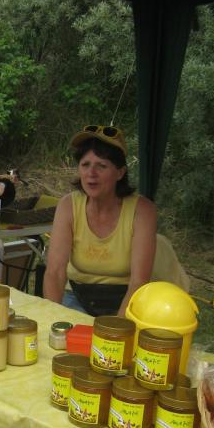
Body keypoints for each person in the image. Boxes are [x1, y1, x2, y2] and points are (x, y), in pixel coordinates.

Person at [43, 125, 157, 317]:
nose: (91, 173)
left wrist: (116, 328)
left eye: (101, 166)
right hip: (78, 298)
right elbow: (55, 272)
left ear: (120, 173)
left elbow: (139, 282)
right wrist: (52, 319)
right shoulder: (68, 205)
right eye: (85, 164)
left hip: (128, 301)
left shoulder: (143, 210)